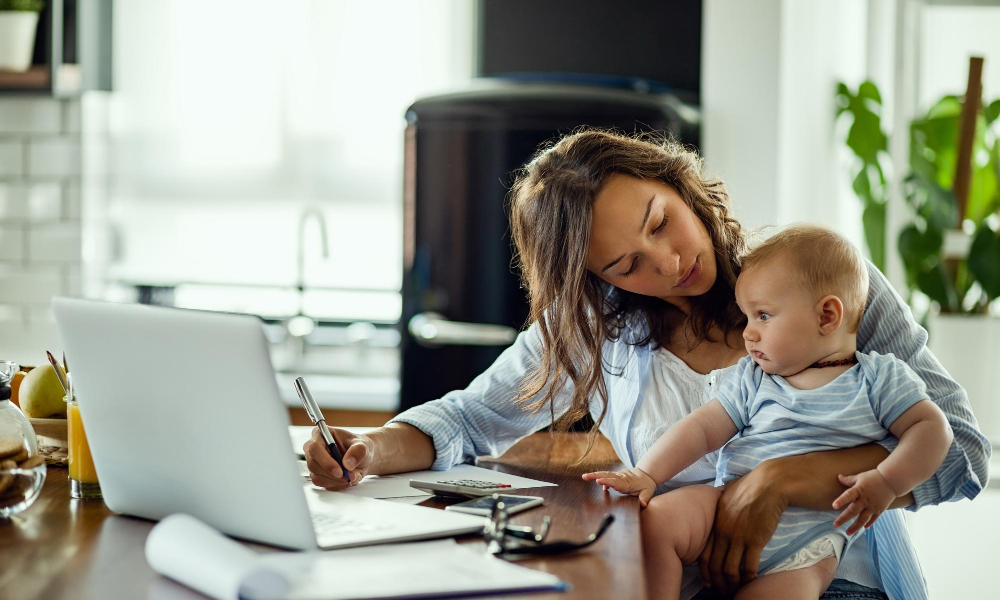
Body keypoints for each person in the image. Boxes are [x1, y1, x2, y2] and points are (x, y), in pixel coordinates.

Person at [304, 129, 990, 600]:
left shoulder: (821, 283)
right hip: (679, 576)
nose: (667, 264)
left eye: (661, 222)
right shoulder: (597, 325)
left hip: (829, 574)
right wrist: (367, 448)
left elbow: (963, 455)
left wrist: (779, 481)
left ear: (680, 184)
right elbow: (466, 417)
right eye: (626, 264)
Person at [581, 224, 954, 599]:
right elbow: (703, 428)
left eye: (763, 316)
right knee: (658, 521)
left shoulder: (878, 380)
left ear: (827, 317)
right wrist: (647, 473)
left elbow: (933, 428)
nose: (748, 333)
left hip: (807, 547)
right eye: (746, 317)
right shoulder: (756, 378)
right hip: (726, 504)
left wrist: (889, 482)